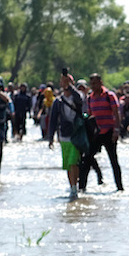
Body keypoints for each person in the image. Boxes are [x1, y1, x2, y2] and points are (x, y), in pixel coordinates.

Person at [46, 70, 89, 199]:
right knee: (68, 165)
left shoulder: (78, 96)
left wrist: (69, 85)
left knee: (74, 162)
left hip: (76, 134)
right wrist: (50, 138)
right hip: (63, 136)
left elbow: (79, 99)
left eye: (67, 82)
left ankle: (75, 188)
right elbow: (53, 121)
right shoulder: (58, 101)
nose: (64, 85)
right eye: (63, 82)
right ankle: (72, 187)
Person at [85, 73, 123, 192]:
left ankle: (119, 187)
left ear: (101, 82)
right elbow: (90, 115)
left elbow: (116, 114)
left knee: (113, 160)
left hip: (109, 132)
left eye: (95, 83)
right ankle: (82, 188)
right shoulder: (90, 98)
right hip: (96, 134)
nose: (93, 86)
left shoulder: (109, 96)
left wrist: (116, 130)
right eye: (91, 84)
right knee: (87, 159)